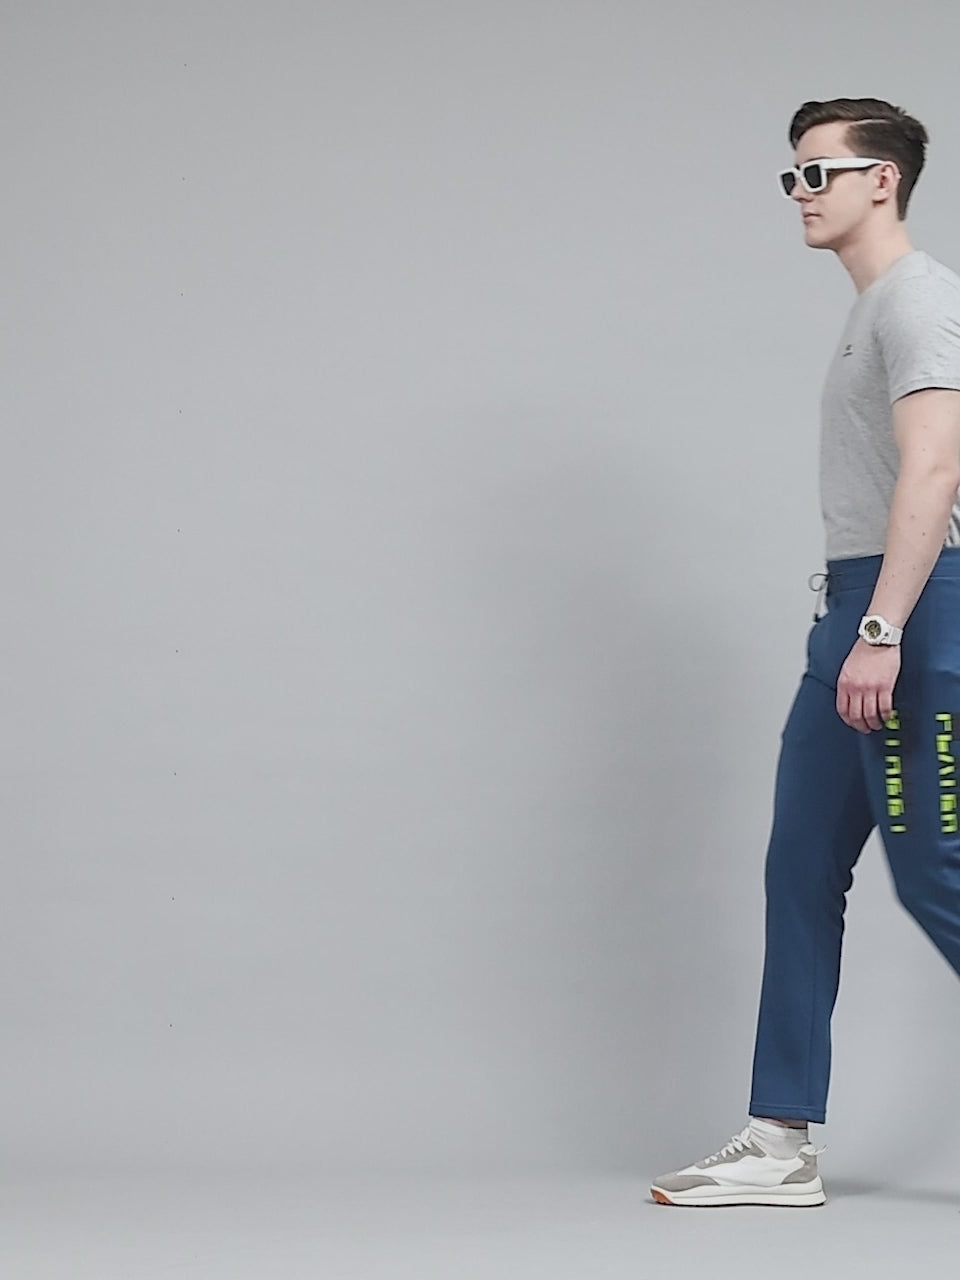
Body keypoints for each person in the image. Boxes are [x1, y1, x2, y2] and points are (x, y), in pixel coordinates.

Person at [651, 97, 960, 1208]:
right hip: (855, 611)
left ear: (884, 180)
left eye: (819, 172)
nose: (800, 192)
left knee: (935, 869)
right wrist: (853, 625)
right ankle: (780, 1137)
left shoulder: (919, 299)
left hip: (908, 612)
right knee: (799, 864)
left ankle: (781, 1133)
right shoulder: (871, 309)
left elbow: (938, 470)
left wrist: (880, 629)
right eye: (792, 175)